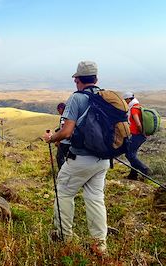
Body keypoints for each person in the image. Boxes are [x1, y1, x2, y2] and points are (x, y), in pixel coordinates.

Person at [43, 61, 110, 256]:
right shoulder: (105, 97)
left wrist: (50, 138)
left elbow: (66, 132)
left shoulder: (77, 98)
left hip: (81, 157)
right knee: (96, 198)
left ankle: (64, 237)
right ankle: (100, 245)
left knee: (63, 192)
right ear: (96, 79)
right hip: (103, 158)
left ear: (77, 80)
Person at [123, 92, 150, 180]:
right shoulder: (138, 106)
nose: (125, 102)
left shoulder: (134, 109)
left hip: (138, 135)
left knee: (129, 154)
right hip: (138, 135)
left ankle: (144, 169)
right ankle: (133, 174)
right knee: (131, 154)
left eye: (125, 100)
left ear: (128, 99)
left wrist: (142, 132)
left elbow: (138, 123)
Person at [55, 103, 71, 170]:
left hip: (64, 142)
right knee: (70, 159)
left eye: (58, 110)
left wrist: (58, 140)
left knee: (60, 158)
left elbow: (63, 130)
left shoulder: (63, 117)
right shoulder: (71, 115)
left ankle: (62, 173)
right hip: (71, 142)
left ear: (61, 109)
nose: (58, 112)